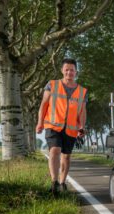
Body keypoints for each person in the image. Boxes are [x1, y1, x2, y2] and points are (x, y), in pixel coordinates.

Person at [36, 58, 88, 195]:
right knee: (54, 150)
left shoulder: (82, 91)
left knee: (66, 157)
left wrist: (82, 126)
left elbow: (82, 111)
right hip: (52, 125)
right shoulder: (52, 85)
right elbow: (44, 104)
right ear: (62, 71)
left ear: (76, 72)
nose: (69, 72)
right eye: (66, 70)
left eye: (72, 70)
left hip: (71, 129)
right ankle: (54, 182)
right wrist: (40, 122)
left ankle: (62, 182)